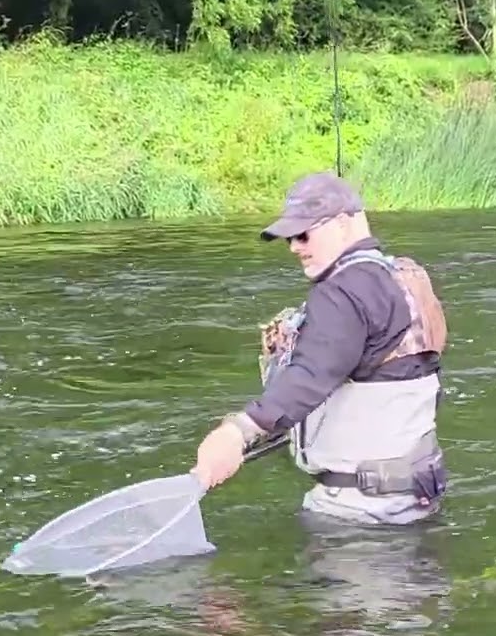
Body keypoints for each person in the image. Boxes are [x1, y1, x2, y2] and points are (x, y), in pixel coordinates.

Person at [190, 171, 449, 525]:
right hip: (416, 497)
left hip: (359, 515)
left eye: (304, 233)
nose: (295, 246)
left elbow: (310, 376)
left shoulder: (342, 292)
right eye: (289, 238)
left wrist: (237, 432)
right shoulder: (404, 277)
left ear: (343, 223)